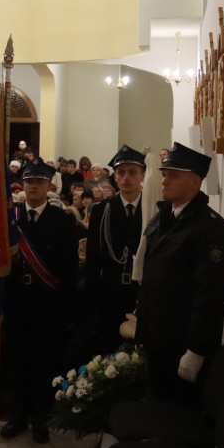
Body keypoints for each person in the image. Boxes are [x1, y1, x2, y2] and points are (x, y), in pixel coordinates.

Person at [137, 142, 224, 405]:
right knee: (156, 405)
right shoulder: (163, 217)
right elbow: (153, 277)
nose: (164, 181)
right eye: (165, 174)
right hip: (157, 337)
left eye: (173, 176)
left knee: (178, 410)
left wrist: (196, 350)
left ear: (194, 182)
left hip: (180, 344)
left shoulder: (211, 230)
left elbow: (211, 295)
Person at [1, 160, 80, 444]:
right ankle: (17, 416)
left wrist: (66, 309)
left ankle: (40, 419)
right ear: (22, 185)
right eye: (29, 181)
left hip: (47, 304)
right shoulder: (10, 218)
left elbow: (69, 269)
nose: (33, 186)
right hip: (16, 301)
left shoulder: (63, 220)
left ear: (49, 186)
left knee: (44, 363)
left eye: (39, 182)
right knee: (17, 362)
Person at [85, 145, 147, 356]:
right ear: (114, 176)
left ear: (143, 175)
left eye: (133, 172)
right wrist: (93, 302)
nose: (126, 177)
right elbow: (93, 260)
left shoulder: (154, 211)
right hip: (110, 294)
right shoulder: (102, 210)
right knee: (109, 350)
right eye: (121, 172)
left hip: (142, 294)